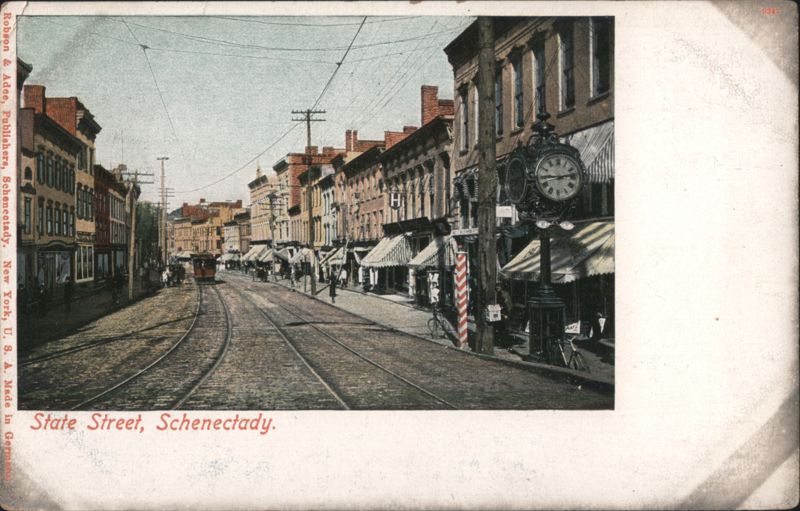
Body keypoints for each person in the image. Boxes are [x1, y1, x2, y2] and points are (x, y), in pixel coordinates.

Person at [495, 282, 513, 346]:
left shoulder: (503, 294)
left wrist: (505, 314)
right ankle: (502, 341)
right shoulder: (500, 293)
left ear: (501, 287)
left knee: (504, 328)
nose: (497, 288)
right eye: (497, 287)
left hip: (505, 312)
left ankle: (505, 343)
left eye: (498, 287)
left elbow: (506, 304)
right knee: (501, 327)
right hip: (503, 312)